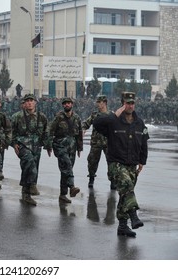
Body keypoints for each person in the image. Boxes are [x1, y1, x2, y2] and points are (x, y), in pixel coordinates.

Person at [93, 92, 149, 238]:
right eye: (127, 103)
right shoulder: (113, 121)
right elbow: (97, 124)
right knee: (126, 185)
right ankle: (134, 215)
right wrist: (113, 116)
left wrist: (142, 161)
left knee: (125, 193)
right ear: (122, 104)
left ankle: (122, 227)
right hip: (116, 164)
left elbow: (144, 143)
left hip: (132, 165)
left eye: (132, 103)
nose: (130, 105)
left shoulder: (140, 123)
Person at [11, 93, 51, 205]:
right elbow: (10, 132)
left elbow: (46, 132)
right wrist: (14, 144)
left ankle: (26, 194)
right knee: (30, 162)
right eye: (27, 101)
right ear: (24, 103)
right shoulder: (17, 117)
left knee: (30, 168)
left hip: (36, 146)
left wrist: (48, 146)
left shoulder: (41, 117)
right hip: (22, 146)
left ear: (35, 102)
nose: (29, 103)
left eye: (31, 100)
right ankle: (33, 184)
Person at [49, 97, 83, 203]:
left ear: (72, 104)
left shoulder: (77, 118)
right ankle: (72, 187)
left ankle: (63, 195)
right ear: (63, 105)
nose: (67, 105)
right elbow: (50, 131)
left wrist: (79, 148)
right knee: (67, 165)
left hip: (72, 147)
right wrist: (49, 146)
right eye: (65, 104)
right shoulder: (58, 117)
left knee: (65, 170)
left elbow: (79, 133)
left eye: (68, 103)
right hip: (60, 146)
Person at [82, 95, 112, 188]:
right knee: (92, 161)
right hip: (96, 142)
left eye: (99, 102)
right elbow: (86, 123)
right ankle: (91, 178)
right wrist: (83, 129)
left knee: (111, 162)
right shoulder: (94, 115)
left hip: (108, 143)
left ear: (105, 103)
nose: (97, 104)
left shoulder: (111, 115)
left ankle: (113, 181)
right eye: (97, 102)